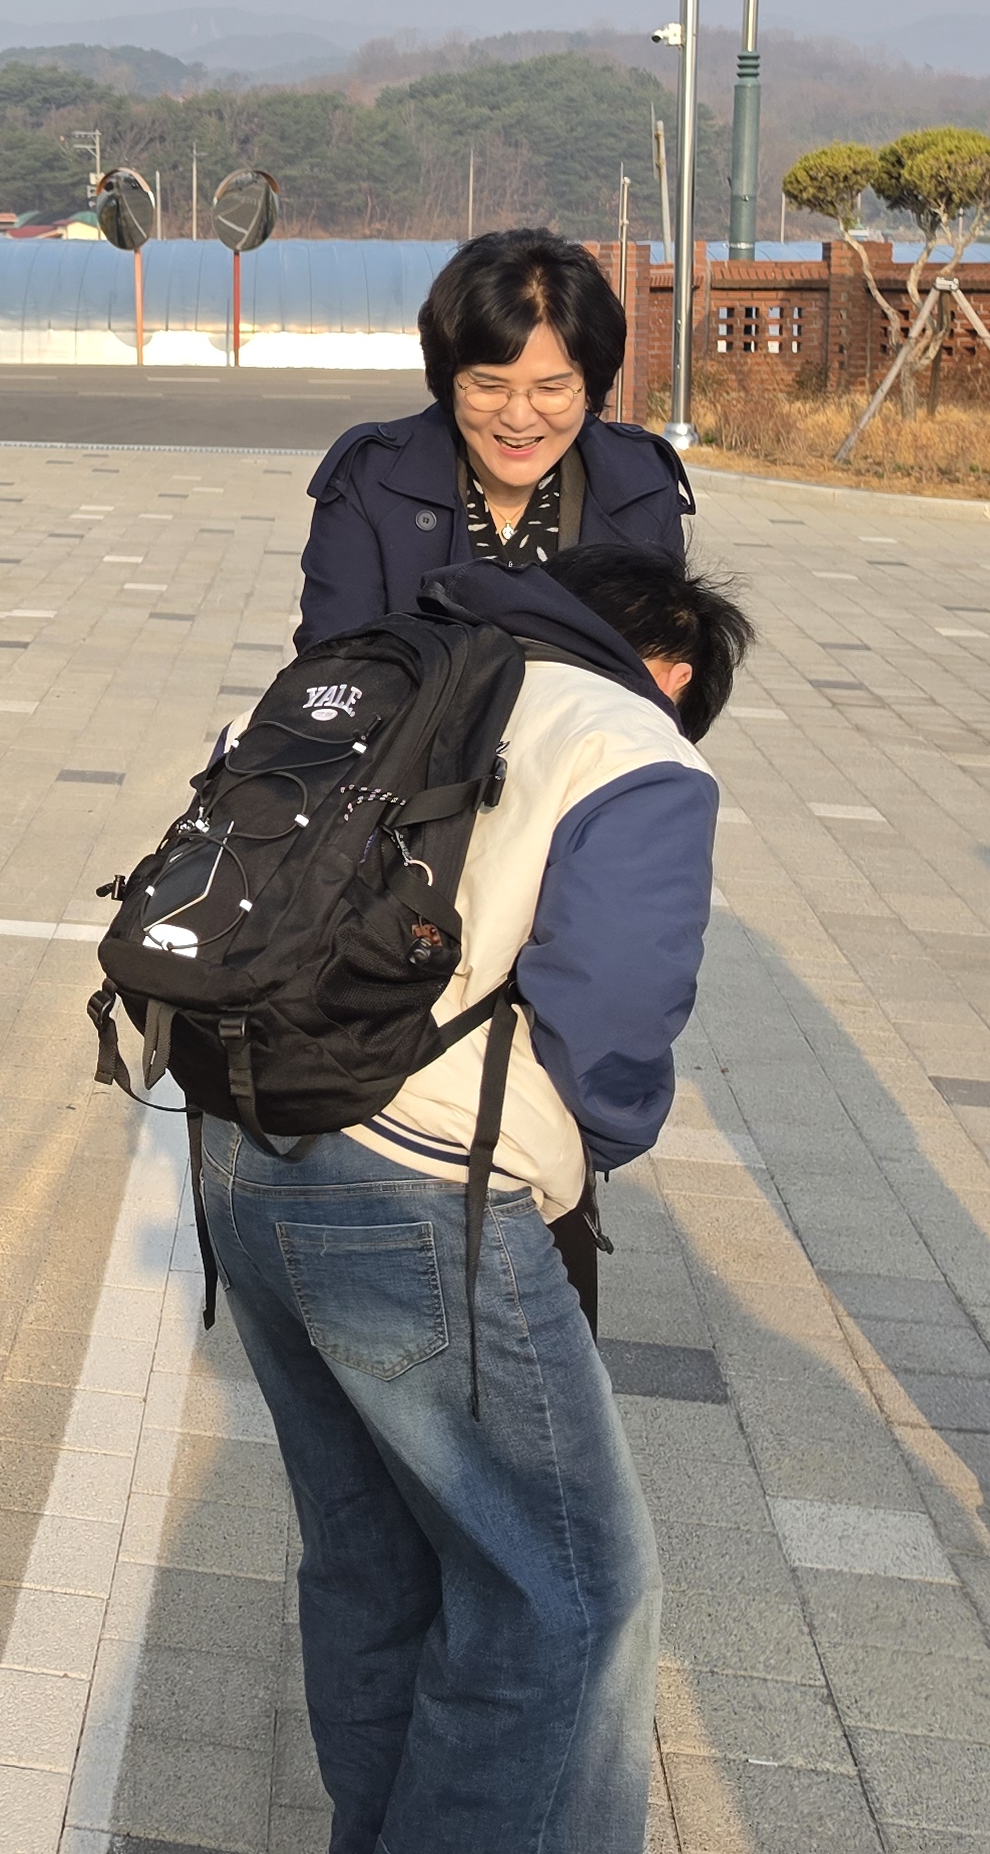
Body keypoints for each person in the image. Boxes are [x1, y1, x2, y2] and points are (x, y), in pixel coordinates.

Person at [201, 539, 749, 1854]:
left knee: (372, 1561)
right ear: (667, 667)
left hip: (241, 1145)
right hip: (422, 1195)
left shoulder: (375, 670)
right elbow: (615, 1032)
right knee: (567, 1598)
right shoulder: (635, 743)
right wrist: (581, 1151)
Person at [297, 230, 691, 654]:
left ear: (589, 387)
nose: (518, 418)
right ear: (449, 378)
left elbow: (663, 678)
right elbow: (333, 672)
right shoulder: (370, 480)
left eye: (552, 390)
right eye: (488, 386)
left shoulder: (643, 482)